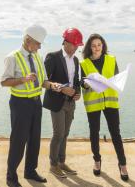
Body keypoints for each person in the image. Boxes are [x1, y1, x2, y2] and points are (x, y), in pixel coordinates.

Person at [1, 24, 60, 187]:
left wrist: (52, 85)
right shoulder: (12, 57)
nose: (40, 47)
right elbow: (4, 82)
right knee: (18, 141)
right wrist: (22, 79)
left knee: (34, 139)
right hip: (20, 104)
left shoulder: (37, 57)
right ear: (28, 41)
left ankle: (30, 171)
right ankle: (11, 177)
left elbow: (42, 81)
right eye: (38, 43)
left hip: (36, 103)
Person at [80, 33, 129, 181]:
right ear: (89, 47)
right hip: (93, 102)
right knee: (94, 133)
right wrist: (86, 83)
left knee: (116, 133)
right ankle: (97, 161)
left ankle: (123, 164)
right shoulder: (84, 64)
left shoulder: (112, 59)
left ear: (103, 46)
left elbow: (116, 78)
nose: (96, 48)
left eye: (99, 45)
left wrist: (117, 82)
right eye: (93, 46)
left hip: (111, 102)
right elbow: (81, 82)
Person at [43, 28, 83, 178]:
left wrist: (77, 92)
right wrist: (62, 89)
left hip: (71, 103)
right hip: (56, 102)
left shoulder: (76, 60)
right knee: (58, 133)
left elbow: (76, 80)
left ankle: (61, 162)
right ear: (65, 43)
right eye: (74, 45)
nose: (77, 48)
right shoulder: (53, 57)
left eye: (78, 45)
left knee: (65, 134)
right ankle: (53, 165)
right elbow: (44, 81)